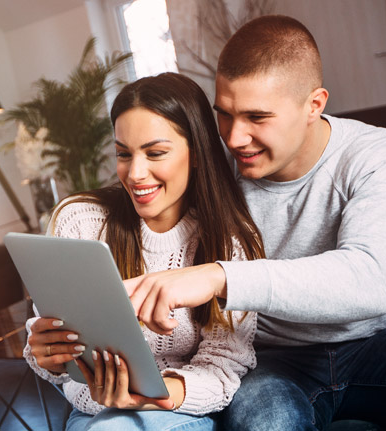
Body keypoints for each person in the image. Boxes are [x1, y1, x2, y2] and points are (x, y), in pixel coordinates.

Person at [124, 15, 386, 430]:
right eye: (225, 114)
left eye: (257, 117)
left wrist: (220, 277)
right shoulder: (214, 170)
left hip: (374, 343)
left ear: (314, 105)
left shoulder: (382, 157)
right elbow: (139, 193)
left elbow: (371, 280)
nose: (234, 138)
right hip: (268, 361)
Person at [22, 72, 266, 431]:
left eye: (155, 153)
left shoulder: (230, 240)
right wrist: (46, 355)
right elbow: (56, 348)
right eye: (124, 154)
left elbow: (225, 365)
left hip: (180, 409)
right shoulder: (78, 221)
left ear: (196, 154)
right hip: (94, 411)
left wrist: (154, 395)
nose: (135, 174)